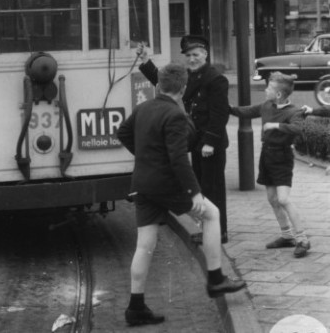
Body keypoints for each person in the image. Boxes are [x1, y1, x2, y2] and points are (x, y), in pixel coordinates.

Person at [117, 62, 245, 326]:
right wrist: (194, 192)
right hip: (167, 184)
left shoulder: (143, 108)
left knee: (144, 245)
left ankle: (136, 307)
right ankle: (215, 279)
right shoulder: (174, 115)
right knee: (212, 214)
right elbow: (178, 159)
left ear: (158, 85)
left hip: (142, 183)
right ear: (183, 88)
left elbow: (123, 133)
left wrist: (146, 158)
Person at [137, 35, 230, 243]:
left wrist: (210, 142)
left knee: (213, 189)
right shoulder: (189, 75)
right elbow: (166, 84)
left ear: (205, 54)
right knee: (202, 188)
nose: (192, 59)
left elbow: (220, 114)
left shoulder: (216, 79)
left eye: (195, 55)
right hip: (198, 143)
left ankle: (219, 232)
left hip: (210, 145)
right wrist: (145, 61)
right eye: (188, 55)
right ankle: (209, 230)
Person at [230, 71, 310, 258]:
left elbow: (298, 128)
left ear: (279, 94)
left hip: (282, 157)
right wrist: (228, 108)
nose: (265, 90)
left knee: (283, 199)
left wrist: (275, 126)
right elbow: (247, 111)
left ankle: (303, 239)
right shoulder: (267, 105)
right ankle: (287, 236)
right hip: (267, 155)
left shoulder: (294, 111)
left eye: (269, 88)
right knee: (272, 199)